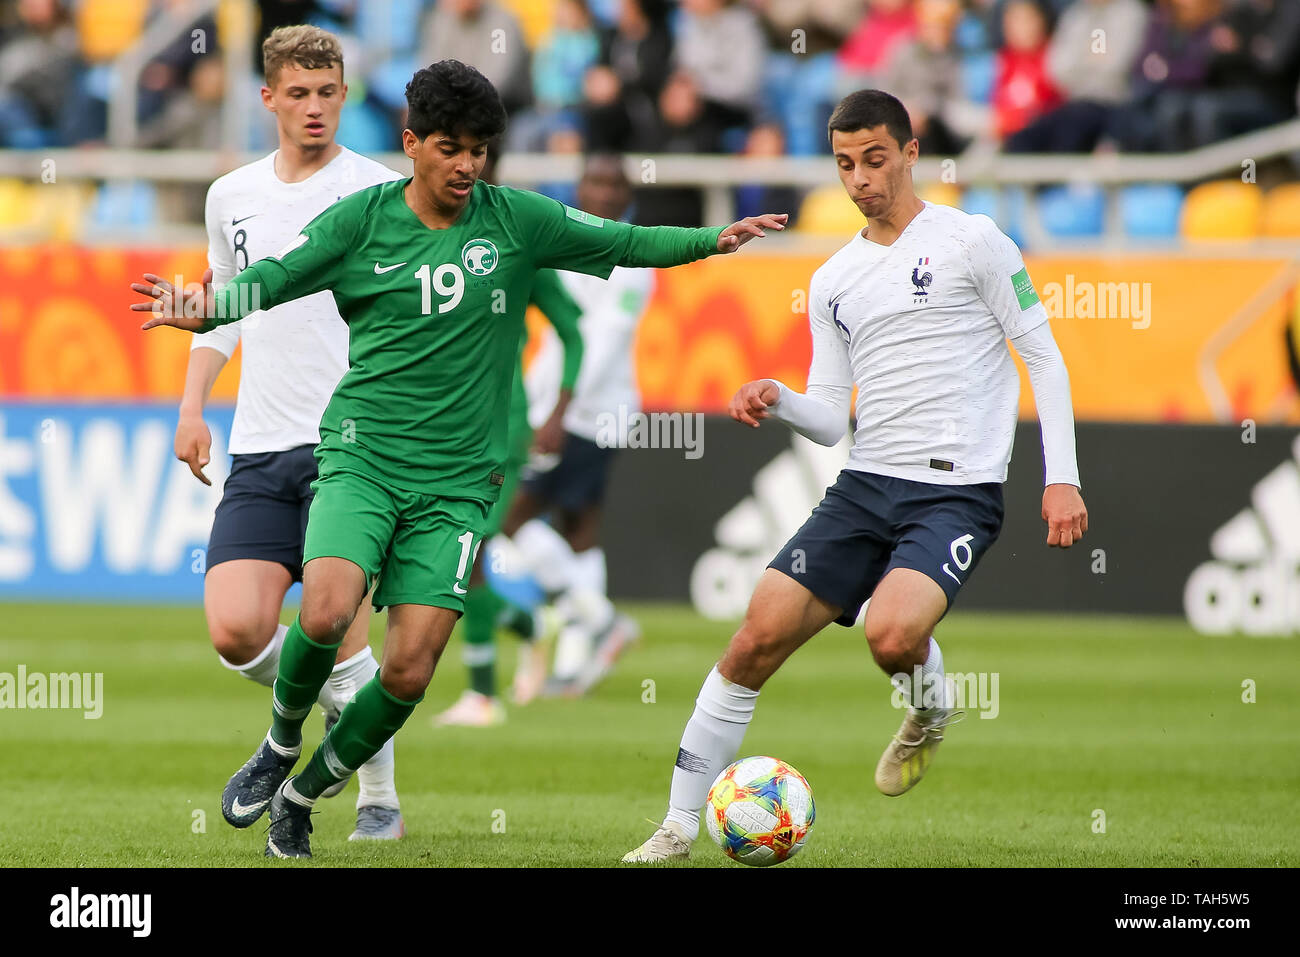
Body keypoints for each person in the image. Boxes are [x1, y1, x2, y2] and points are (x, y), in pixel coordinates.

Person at [134, 58, 786, 860]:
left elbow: (617, 240)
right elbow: (272, 279)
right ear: (411, 143)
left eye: (480, 149)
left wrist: (710, 240)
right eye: (451, 147)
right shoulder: (362, 220)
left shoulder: (513, 220)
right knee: (329, 610)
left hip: (457, 483)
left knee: (408, 670)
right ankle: (277, 747)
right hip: (362, 454)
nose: (468, 165)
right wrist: (205, 306)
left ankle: (304, 796)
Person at [623, 89, 1086, 863]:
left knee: (892, 634)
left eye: (875, 159)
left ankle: (931, 708)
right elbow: (832, 416)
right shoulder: (836, 278)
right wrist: (780, 400)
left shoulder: (975, 241)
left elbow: (1044, 356)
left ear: (910, 151)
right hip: (864, 485)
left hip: (955, 491)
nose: (861, 178)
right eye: (845, 163)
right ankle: (675, 825)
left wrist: (1060, 475)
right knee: (752, 640)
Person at [174, 24, 406, 842]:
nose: (315, 108)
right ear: (267, 97)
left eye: (329, 92)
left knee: (343, 625)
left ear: (346, 94)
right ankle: (303, 728)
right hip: (261, 441)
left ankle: (377, 798)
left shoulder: (381, 192)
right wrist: (193, 404)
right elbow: (224, 310)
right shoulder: (231, 195)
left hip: (357, 441)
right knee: (236, 627)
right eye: (298, 94)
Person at [496, 153, 655, 698]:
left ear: (627, 195)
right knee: (579, 529)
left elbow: (604, 344)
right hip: (558, 407)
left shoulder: (634, 260)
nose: (605, 192)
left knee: (511, 518)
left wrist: (556, 413)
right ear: (580, 187)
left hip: (595, 413)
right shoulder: (565, 240)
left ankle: (597, 621)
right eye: (595, 180)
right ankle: (578, 653)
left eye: (615, 184)